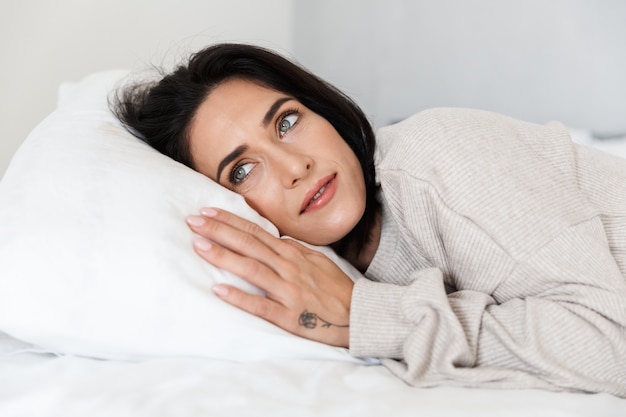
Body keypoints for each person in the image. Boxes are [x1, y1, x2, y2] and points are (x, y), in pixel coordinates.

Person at [112, 43, 626, 397]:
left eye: (287, 122)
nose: (296, 167)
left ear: (324, 111)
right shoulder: (332, 266)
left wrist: (369, 317)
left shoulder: (435, 158)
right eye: (243, 170)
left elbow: (611, 341)